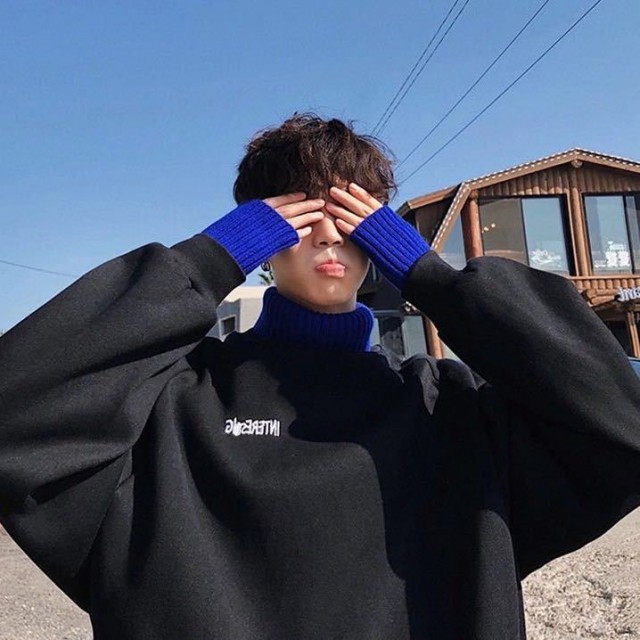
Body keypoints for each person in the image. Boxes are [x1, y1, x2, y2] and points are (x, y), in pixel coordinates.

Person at [0, 113, 639, 640]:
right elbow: (17, 406)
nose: (332, 233)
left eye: (356, 215)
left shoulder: (445, 408)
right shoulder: (173, 406)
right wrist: (209, 260)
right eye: (303, 212)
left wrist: (433, 278)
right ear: (260, 237)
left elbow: (622, 428)